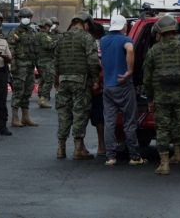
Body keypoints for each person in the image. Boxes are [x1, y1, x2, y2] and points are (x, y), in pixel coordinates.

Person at [143, 15, 180, 176]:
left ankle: (164, 165)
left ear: (159, 32)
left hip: (161, 97)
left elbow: (147, 79)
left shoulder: (153, 51)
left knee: (162, 129)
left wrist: (150, 98)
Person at [54, 11, 100, 160]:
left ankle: (61, 148)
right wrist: (95, 80)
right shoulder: (87, 38)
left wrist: (57, 79)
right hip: (81, 82)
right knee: (80, 114)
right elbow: (93, 61)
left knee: (63, 114)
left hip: (63, 81)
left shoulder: (61, 38)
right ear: (86, 24)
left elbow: (55, 61)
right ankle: (78, 149)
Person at [101, 15, 146, 166]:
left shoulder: (103, 40)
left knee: (109, 122)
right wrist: (129, 71)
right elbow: (131, 50)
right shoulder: (125, 40)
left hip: (108, 87)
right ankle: (134, 157)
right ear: (124, 27)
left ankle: (111, 157)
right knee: (129, 122)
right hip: (123, 86)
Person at [7, 7, 38, 127]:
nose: (26, 19)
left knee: (28, 91)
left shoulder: (33, 32)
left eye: (28, 17)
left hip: (30, 66)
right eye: (24, 17)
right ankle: (15, 117)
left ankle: (25, 117)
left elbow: (36, 49)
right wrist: (13, 65)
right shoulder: (15, 32)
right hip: (19, 66)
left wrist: (38, 64)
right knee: (18, 91)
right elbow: (11, 49)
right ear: (19, 18)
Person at [88, 23, 106, 157]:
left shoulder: (88, 44)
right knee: (100, 116)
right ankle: (101, 145)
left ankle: (79, 146)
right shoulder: (103, 45)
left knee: (81, 116)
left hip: (85, 84)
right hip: (100, 85)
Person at [36, 18, 57, 108]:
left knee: (43, 79)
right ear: (45, 26)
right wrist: (57, 42)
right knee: (49, 79)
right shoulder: (44, 35)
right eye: (48, 26)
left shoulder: (38, 35)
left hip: (40, 61)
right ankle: (43, 98)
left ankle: (41, 97)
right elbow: (48, 46)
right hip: (46, 61)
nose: (49, 28)